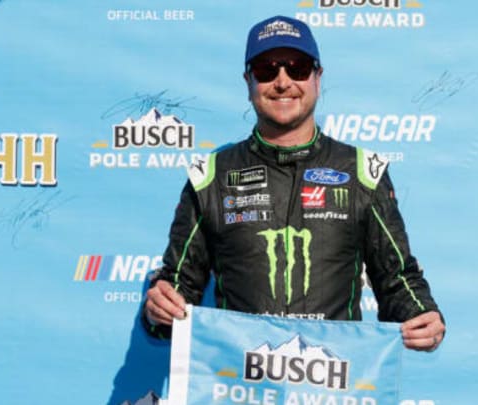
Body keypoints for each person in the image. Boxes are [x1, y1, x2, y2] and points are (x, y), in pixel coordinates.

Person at [143, 15, 445, 351]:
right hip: (239, 385)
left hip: (333, 386)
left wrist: (422, 315)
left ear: (318, 77)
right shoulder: (210, 175)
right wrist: (159, 310)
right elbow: (178, 288)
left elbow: (396, 278)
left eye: (297, 67)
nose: (283, 81)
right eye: (266, 69)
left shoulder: (362, 171)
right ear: (248, 81)